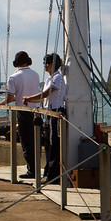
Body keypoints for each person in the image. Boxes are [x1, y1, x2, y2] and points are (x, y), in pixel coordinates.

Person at [0, 51, 42, 180]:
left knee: (26, 141)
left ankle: (32, 170)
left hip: (23, 111)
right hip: (36, 111)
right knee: (36, 140)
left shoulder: (13, 77)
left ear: (16, 63)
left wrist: (1, 103)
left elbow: (10, 97)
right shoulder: (36, 75)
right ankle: (37, 167)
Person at [30, 53, 67, 182]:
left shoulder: (57, 78)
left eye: (46, 63)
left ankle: (53, 174)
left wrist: (29, 98)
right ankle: (48, 171)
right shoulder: (50, 79)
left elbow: (46, 93)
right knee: (48, 143)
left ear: (52, 64)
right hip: (49, 112)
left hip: (56, 112)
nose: (45, 66)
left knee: (54, 144)